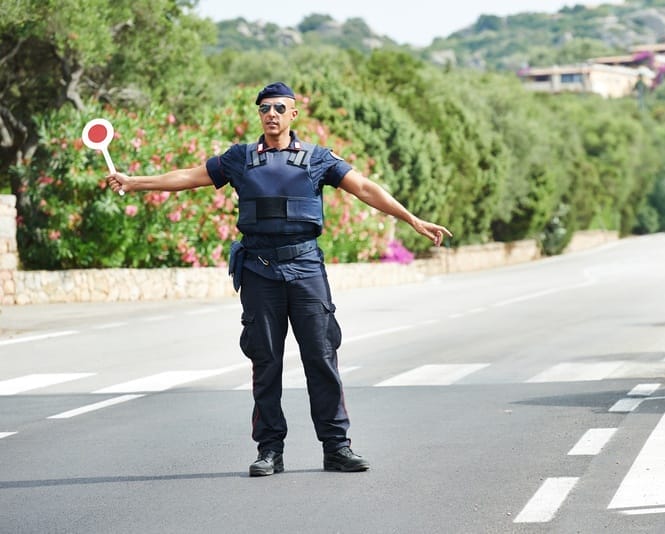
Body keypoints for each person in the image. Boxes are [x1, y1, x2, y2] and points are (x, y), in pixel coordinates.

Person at [105, 81, 453, 476]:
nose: (271, 114)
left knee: (321, 357)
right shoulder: (239, 158)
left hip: (305, 268)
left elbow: (365, 188)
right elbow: (189, 176)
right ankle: (269, 450)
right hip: (259, 270)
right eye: (264, 108)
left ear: (293, 114)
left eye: (279, 108)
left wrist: (411, 219)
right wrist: (135, 182)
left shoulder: (318, 158)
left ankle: (337, 448)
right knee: (265, 362)